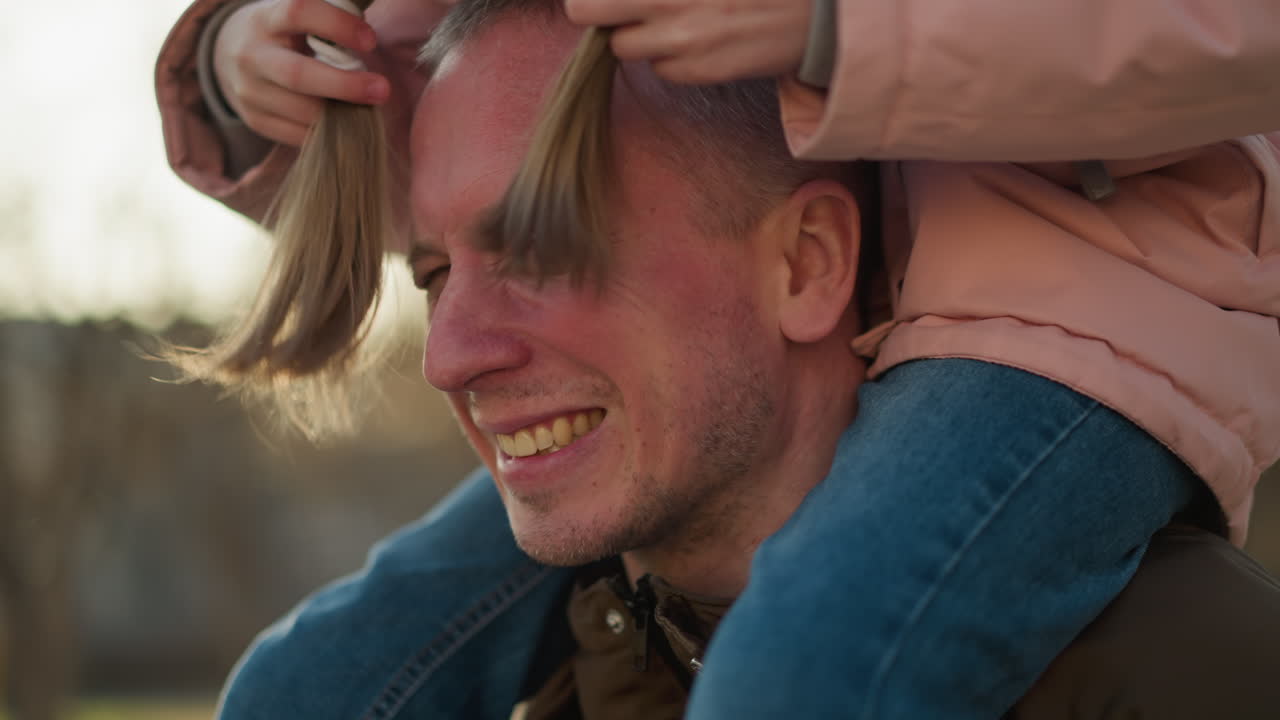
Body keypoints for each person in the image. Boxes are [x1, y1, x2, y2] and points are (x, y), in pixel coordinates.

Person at [155, 0, 1280, 717]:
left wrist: (844, 27)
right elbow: (450, 91)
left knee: (794, 676)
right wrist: (242, 64)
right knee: (313, 688)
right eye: (434, 275)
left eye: (549, 247)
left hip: (1065, 306)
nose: (446, 358)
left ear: (811, 259)